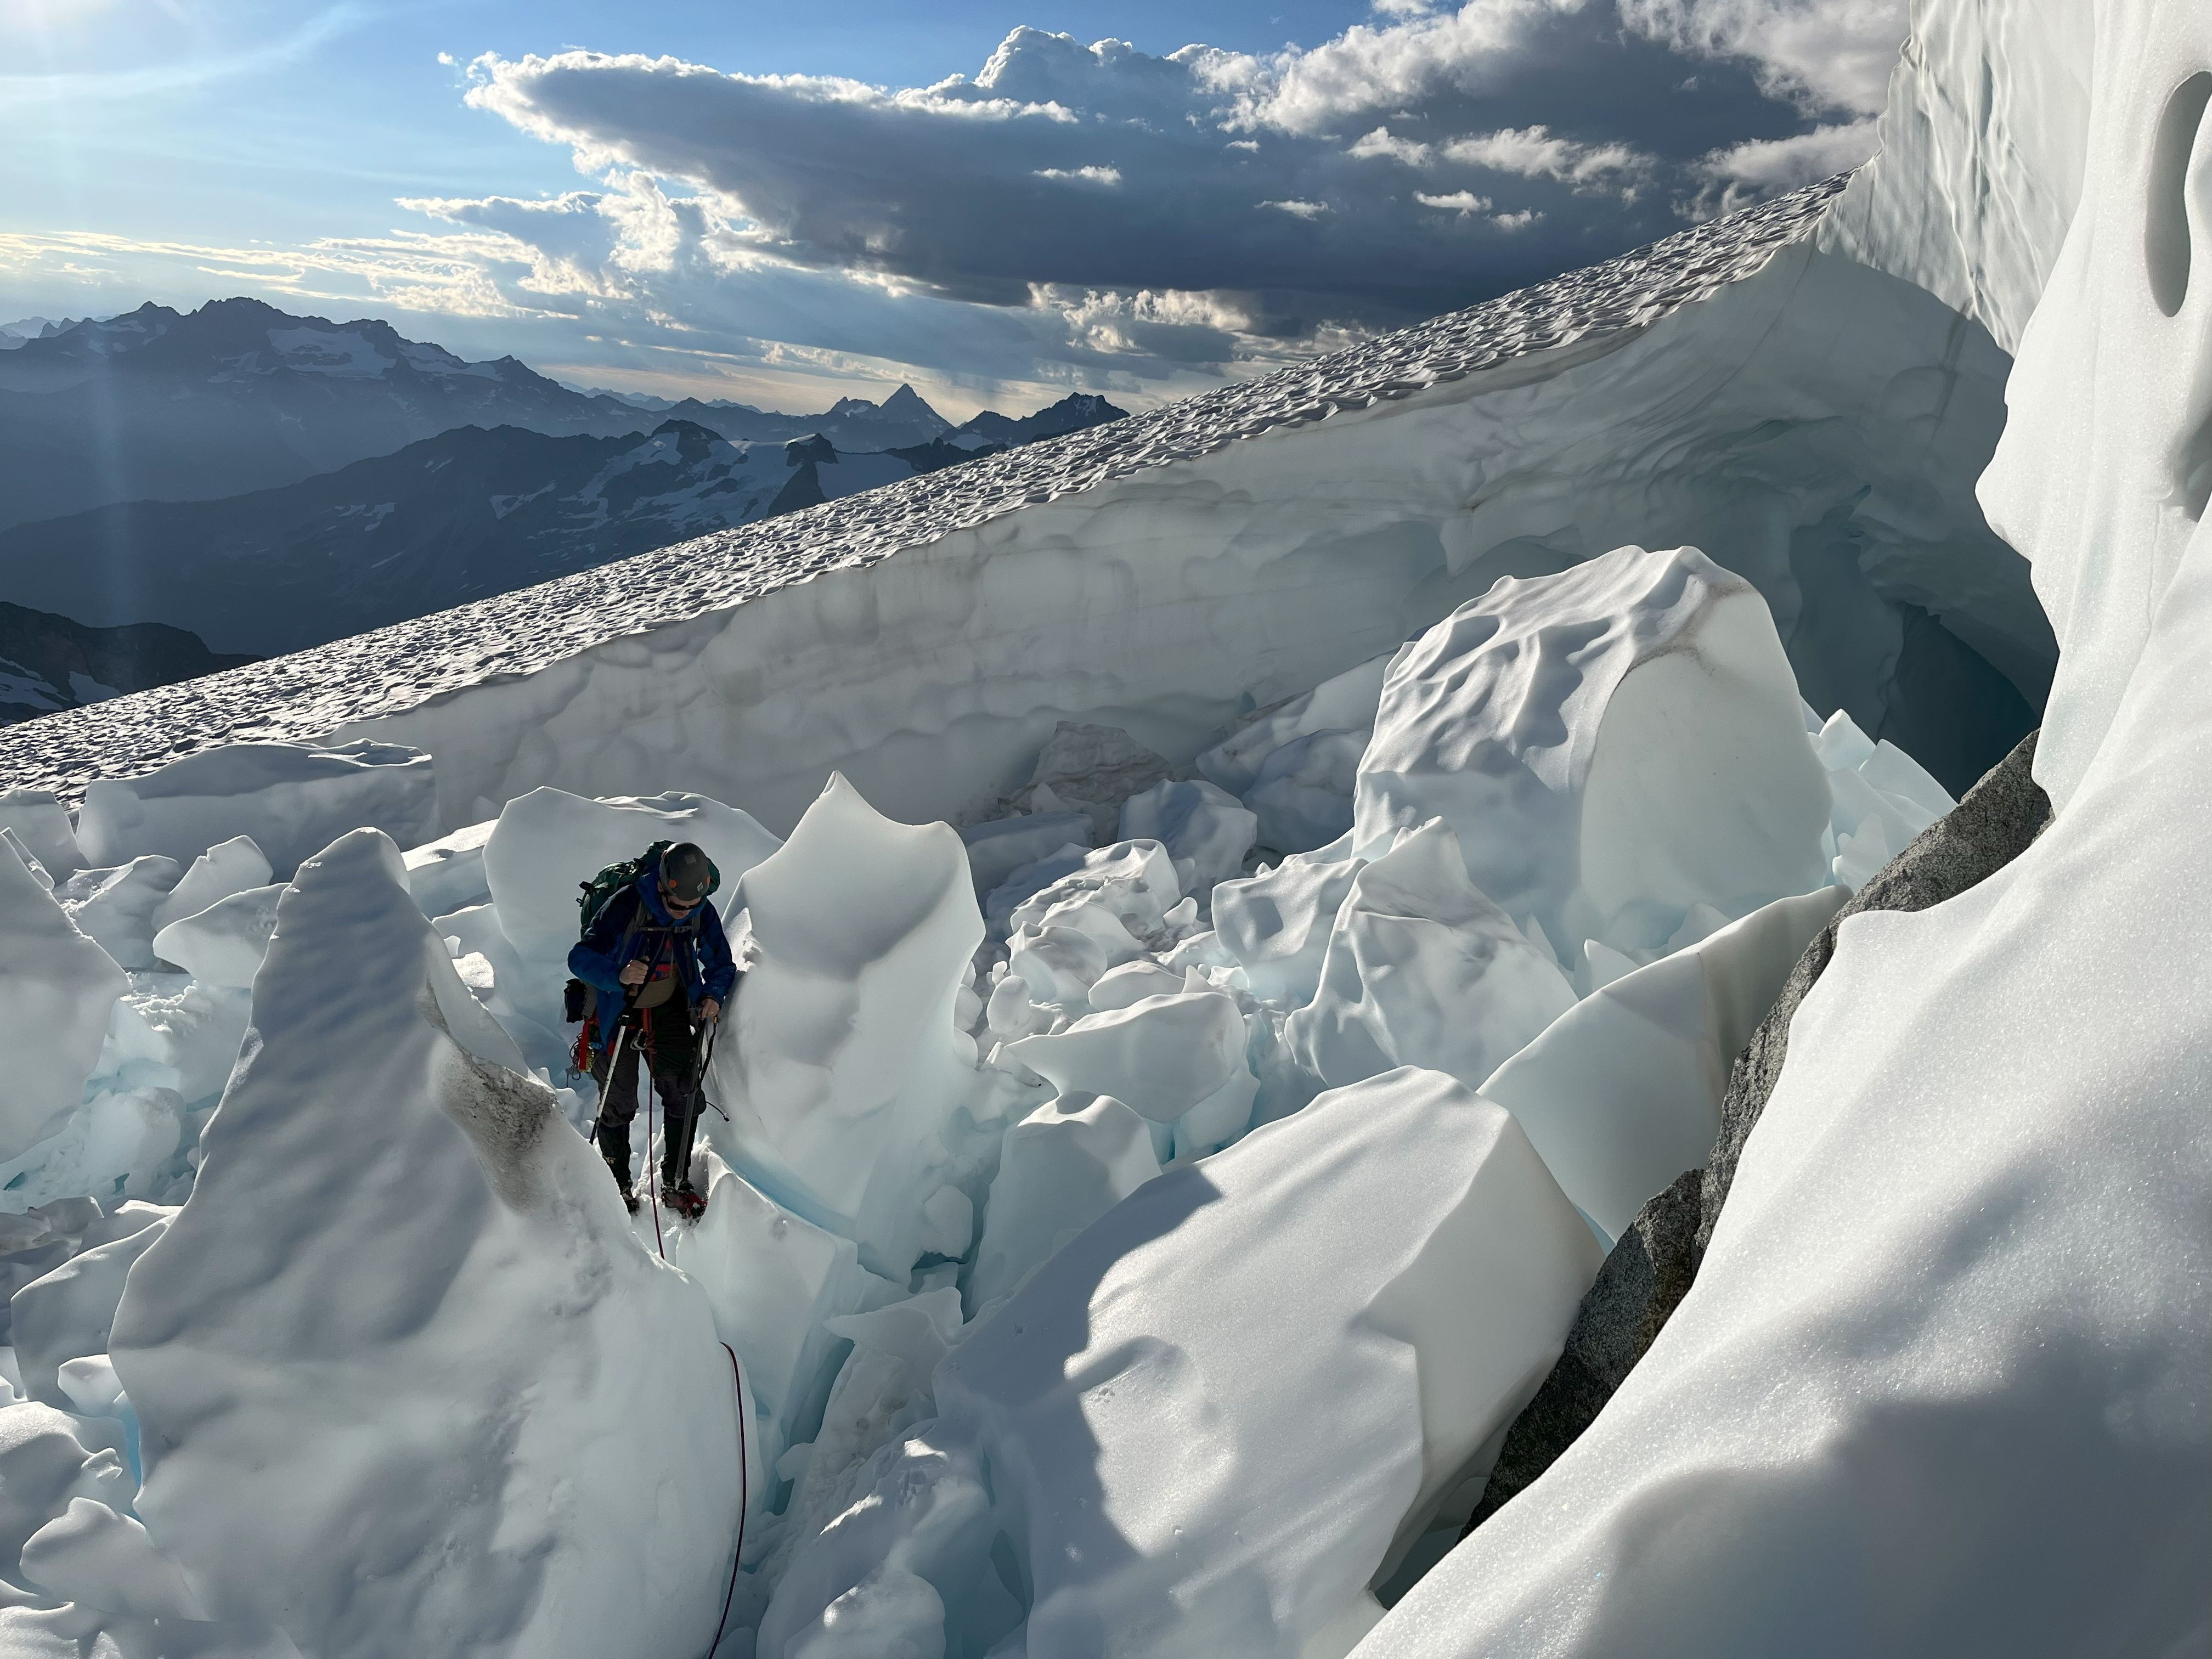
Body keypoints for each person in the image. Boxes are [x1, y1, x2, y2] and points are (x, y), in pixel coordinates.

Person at [568, 842, 735, 1218]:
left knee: (684, 1092)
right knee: (618, 1101)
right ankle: (617, 1187)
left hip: (668, 1006)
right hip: (618, 1008)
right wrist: (619, 974)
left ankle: (676, 1183)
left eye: (692, 906)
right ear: (661, 885)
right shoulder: (628, 903)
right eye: (677, 906)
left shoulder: (700, 909)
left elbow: (720, 961)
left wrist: (713, 994)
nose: (684, 913)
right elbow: (580, 957)